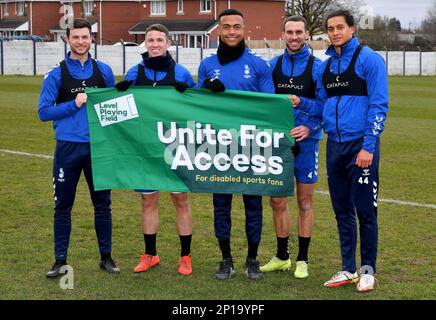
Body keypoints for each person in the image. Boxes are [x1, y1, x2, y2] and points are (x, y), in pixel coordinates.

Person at [38, 18, 119, 278]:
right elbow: (43, 112)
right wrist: (74, 103)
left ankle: (106, 258)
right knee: (62, 206)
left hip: (98, 149)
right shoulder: (56, 73)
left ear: (92, 38)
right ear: (67, 39)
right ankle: (60, 261)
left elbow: (113, 108)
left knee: (102, 205)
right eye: (76, 37)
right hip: (68, 149)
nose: (81, 41)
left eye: (85, 37)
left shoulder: (104, 71)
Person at [198, 9, 275, 281]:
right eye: (226, 27)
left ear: (245, 29)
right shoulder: (207, 65)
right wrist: (206, 87)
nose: (231, 31)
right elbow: (197, 106)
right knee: (221, 205)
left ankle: (252, 259)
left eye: (236, 27)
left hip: (252, 148)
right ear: (219, 30)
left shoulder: (259, 65)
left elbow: (269, 108)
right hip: (219, 148)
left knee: (253, 205)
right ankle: (226, 259)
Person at [115, 24, 196, 276]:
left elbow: (198, 108)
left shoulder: (181, 72)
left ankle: (185, 256)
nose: (155, 44)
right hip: (145, 147)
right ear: (146, 44)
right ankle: (150, 254)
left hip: (175, 146)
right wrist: (117, 94)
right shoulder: (135, 71)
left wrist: (189, 95)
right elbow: (122, 107)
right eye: (150, 40)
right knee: (148, 199)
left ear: (168, 43)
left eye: (159, 39)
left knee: (180, 199)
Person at [316, 10, 388, 292]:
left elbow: (379, 105)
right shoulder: (326, 66)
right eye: (330, 29)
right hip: (334, 146)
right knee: (342, 211)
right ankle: (348, 269)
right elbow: (321, 104)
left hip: (361, 146)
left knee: (366, 212)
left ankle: (368, 270)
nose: (334, 32)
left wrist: (368, 146)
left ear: (352, 29)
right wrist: (300, 104)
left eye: (339, 27)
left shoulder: (369, 60)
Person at [260, 16, 323, 279]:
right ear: (282, 34)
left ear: (306, 34)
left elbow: (325, 108)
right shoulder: (272, 66)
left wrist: (309, 128)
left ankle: (303, 259)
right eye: (289, 32)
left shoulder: (318, 67)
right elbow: (262, 103)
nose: (294, 37)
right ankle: (282, 256)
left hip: (307, 145)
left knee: (305, 202)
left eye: (299, 32)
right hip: (278, 145)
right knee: (277, 201)